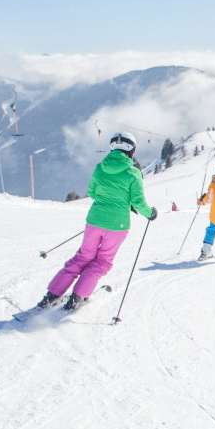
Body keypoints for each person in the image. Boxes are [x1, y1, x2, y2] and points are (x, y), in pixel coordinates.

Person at [34, 133, 156, 313]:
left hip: (95, 220)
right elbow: (138, 201)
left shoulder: (100, 167)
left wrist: (108, 200)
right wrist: (150, 213)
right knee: (102, 261)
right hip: (117, 225)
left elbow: (92, 192)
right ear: (132, 149)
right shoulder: (133, 172)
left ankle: (52, 294)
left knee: (82, 257)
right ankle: (78, 297)